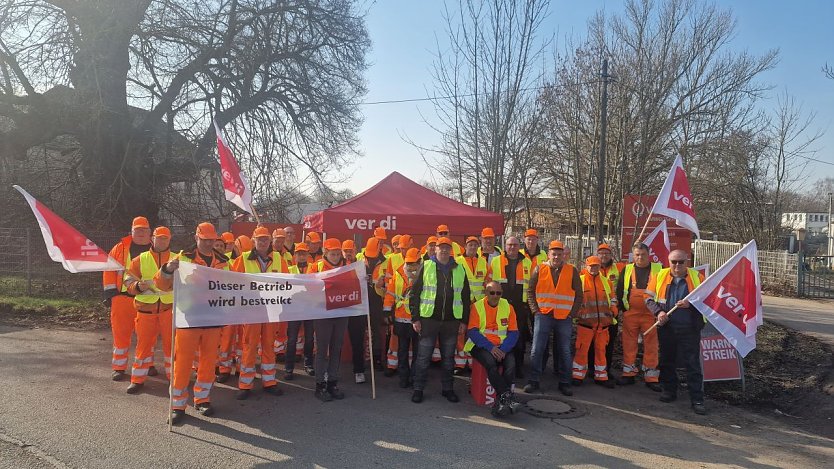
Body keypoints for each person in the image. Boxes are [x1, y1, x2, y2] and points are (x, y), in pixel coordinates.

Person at [156, 222, 228, 425]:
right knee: (182, 363)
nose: (207, 243)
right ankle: (177, 405)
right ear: (196, 238)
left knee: (207, 361)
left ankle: (202, 399)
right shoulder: (182, 258)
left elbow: (230, 287)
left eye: (211, 240)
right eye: (204, 240)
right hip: (188, 317)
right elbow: (161, 284)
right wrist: (168, 269)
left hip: (213, 317)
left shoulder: (223, 260)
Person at [408, 237, 471, 404]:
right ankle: (418, 389)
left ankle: (448, 389)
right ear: (434, 249)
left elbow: (465, 297)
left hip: (451, 321)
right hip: (429, 320)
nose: (444, 250)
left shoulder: (459, 268)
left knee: (449, 358)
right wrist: (415, 318)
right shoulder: (426, 266)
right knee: (423, 357)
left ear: (451, 250)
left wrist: (464, 321)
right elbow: (414, 293)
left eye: (446, 248)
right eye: (440, 248)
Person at [646, 250, 707, 415]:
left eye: (681, 262)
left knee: (692, 364)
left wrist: (691, 305)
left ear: (687, 261)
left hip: (689, 329)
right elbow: (649, 299)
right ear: (669, 261)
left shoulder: (698, 277)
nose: (677, 265)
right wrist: (658, 312)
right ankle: (669, 391)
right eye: (674, 262)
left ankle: (697, 399)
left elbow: (707, 301)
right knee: (667, 360)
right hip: (667, 327)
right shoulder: (660, 276)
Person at [231, 226, 287, 400]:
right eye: (259, 239)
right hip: (251, 312)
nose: (263, 242)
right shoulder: (242, 260)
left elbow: (287, 283)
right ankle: (245, 384)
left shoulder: (278, 258)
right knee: (249, 346)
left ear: (270, 241)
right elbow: (232, 284)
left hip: (271, 311)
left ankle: (269, 381)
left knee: (269, 345)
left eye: (266, 239)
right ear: (253, 240)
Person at [526, 240, 582, 396]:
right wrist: (535, 311)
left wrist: (572, 313)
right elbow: (530, 291)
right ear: (548, 254)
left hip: (564, 317)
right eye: (553, 254)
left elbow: (579, 294)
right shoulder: (539, 268)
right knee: (537, 349)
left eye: (559, 254)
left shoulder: (572, 270)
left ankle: (565, 382)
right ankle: (534, 381)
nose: (556, 257)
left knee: (564, 350)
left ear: (563, 255)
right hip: (543, 314)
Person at [123, 226, 173, 394]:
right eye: (159, 238)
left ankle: (175, 379)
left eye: (165, 238)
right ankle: (137, 380)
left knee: (171, 347)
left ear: (170, 239)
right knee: (143, 347)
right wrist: (137, 285)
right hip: (145, 311)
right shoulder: (140, 259)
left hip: (169, 310)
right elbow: (128, 280)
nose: (162, 241)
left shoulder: (176, 259)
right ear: (153, 238)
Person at [103, 216, 153, 381]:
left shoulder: (158, 249)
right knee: (121, 333)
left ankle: (148, 363)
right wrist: (110, 293)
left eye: (144, 230)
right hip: (122, 298)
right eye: (137, 230)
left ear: (150, 232)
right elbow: (109, 270)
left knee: (147, 335)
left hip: (148, 299)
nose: (140, 233)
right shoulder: (119, 248)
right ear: (131, 232)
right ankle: (119, 367)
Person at [465, 281, 522, 417]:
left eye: (498, 293)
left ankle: (502, 401)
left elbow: (514, 332)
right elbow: (472, 331)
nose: (495, 296)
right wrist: (491, 348)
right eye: (492, 293)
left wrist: (503, 349)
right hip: (480, 346)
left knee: (511, 364)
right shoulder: (477, 307)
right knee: (491, 364)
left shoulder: (508, 307)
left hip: (502, 346)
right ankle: (507, 397)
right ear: (486, 293)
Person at [616, 242, 662, 391]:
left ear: (648, 255)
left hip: (651, 314)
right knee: (629, 343)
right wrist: (623, 309)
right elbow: (620, 289)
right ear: (633, 255)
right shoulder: (627, 269)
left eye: (643, 254)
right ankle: (628, 373)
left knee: (652, 345)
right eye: (637, 254)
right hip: (631, 313)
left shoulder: (659, 269)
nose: (640, 257)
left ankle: (651, 377)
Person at [307, 238, 349, 401]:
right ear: (325, 253)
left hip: (340, 313)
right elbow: (308, 288)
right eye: (333, 254)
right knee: (322, 349)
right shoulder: (315, 266)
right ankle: (320, 385)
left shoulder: (345, 267)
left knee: (336, 348)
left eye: (338, 254)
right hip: (322, 314)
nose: (336, 257)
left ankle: (332, 382)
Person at [487, 236, 532, 377]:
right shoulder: (496, 261)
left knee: (519, 338)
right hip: (501, 304)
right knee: (499, 335)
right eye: (509, 245)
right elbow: (489, 283)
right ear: (505, 246)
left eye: (515, 245)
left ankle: (518, 367)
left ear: (519, 246)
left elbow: (531, 285)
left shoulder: (527, 262)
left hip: (520, 306)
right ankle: (499, 365)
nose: (512, 247)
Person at [571, 256, 617, 389]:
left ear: (600, 266)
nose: (593, 268)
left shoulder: (606, 282)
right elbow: (574, 300)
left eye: (596, 266)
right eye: (591, 266)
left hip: (603, 324)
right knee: (581, 350)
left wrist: (613, 310)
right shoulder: (580, 281)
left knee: (601, 350)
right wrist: (577, 314)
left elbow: (613, 298)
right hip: (585, 324)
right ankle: (577, 376)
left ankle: (601, 377)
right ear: (586, 266)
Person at [383, 248, 421, 388]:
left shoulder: (424, 275)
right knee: (402, 350)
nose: (411, 266)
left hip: (418, 319)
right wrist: (386, 312)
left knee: (418, 351)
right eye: (409, 263)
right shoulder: (398, 274)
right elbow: (390, 294)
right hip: (400, 319)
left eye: (414, 263)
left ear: (420, 262)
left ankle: (415, 377)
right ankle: (404, 377)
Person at [453, 236, 487, 373]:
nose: (472, 247)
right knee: (461, 332)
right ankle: (460, 364)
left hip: (479, 304)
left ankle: (474, 362)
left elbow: (487, 281)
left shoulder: (483, 262)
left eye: (475, 245)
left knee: (476, 333)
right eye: (470, 245)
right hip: (462, 302)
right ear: (465, 247)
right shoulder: (458, 261)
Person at [284, 242, 315, 380]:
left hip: (310, 309)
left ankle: (308, 364)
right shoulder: (289, 269)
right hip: (294, 310)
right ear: (295, 255)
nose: (301, 256)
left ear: (308, 255)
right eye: (299, 253)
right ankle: (288, 368)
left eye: (304, 253)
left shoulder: (313, 269)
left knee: (309, 339)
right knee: (291, 340)